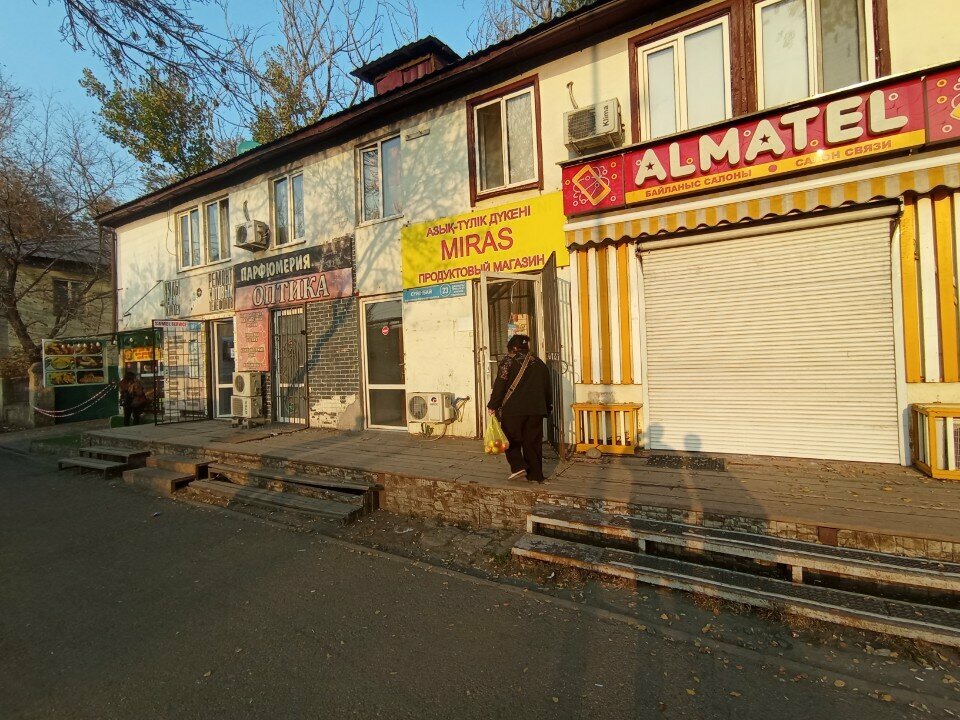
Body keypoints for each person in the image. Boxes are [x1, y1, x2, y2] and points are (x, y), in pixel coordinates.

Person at [487, 334, 552, 483]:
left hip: (514, 409)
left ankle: (518, 466)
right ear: (527, 346)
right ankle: (536, 475)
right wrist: (547, 407)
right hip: (536, 409)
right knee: (533, 443)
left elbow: (500, 386)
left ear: (513, 347)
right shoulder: (540, 363)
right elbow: (547, 388)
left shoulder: (508, 362)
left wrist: (493, 405)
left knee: (510, 439)